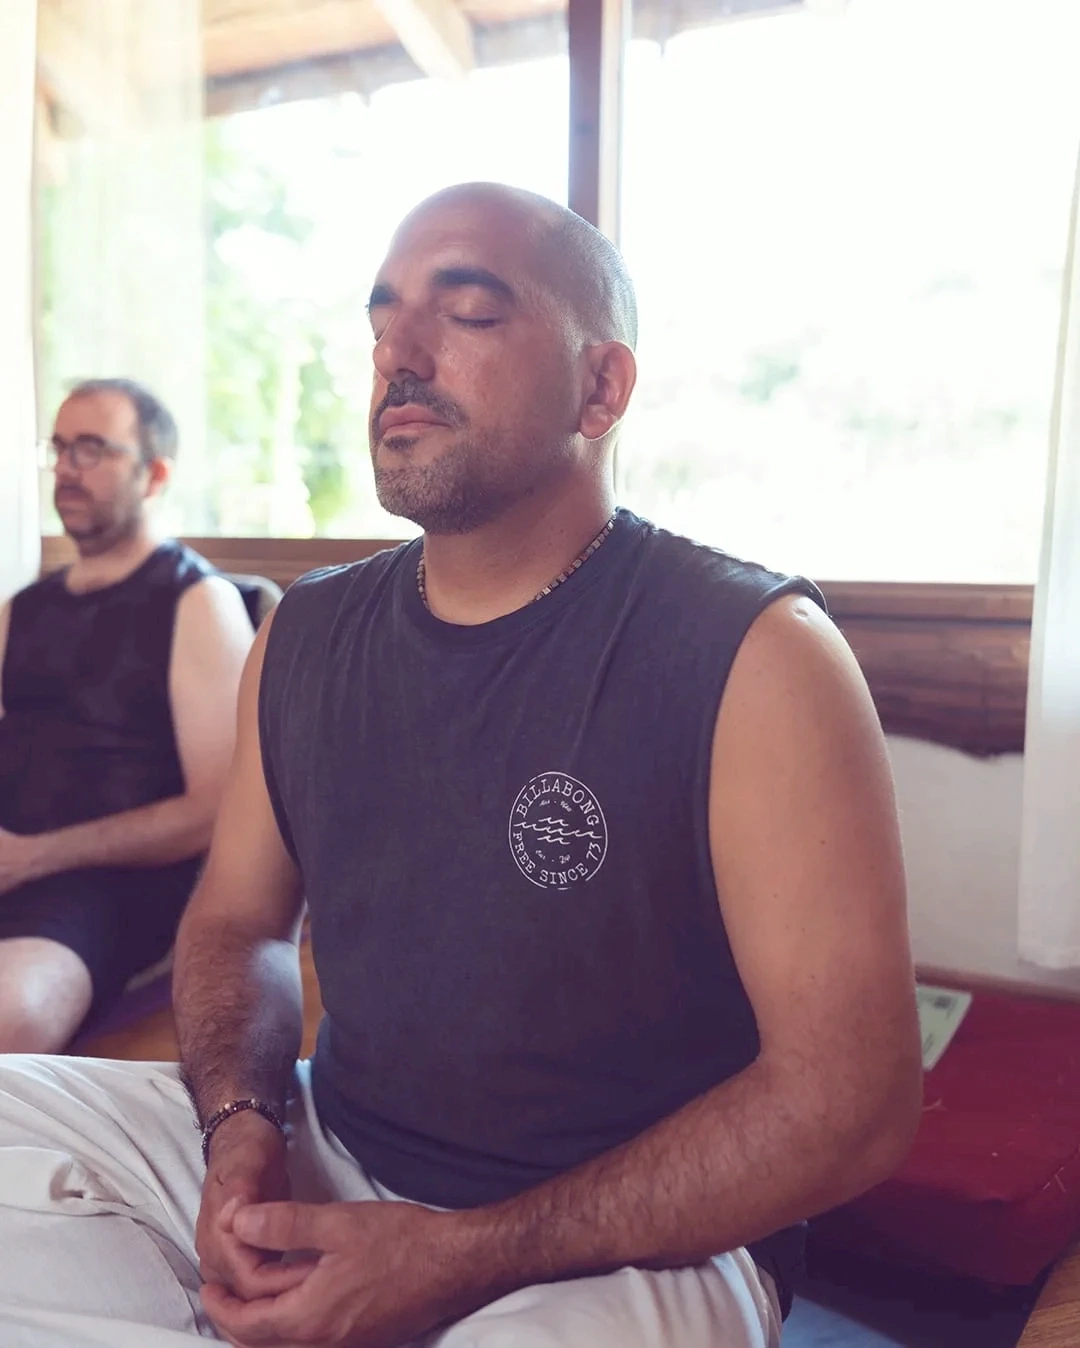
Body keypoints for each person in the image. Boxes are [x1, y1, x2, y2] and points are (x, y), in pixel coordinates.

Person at [0, 187, 921, 1347]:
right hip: (332, 1139)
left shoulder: (757, 653)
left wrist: (457, 1256)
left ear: (601, 387)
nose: (400, 354)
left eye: (469, 313)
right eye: (381, 323)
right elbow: (236, 924)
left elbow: (851, 1102)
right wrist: (242, 1126)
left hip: (628, 1237)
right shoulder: (305, 632)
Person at [0, 378, 253, 1053]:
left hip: (102, 887)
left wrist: (32, 858)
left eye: (91, 449)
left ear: (155, 475)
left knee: (12, 1013)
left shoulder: (198, 601)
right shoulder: (23, 610)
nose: (66, 469)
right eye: (59, 448)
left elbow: (216, 809)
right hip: (10, 855)